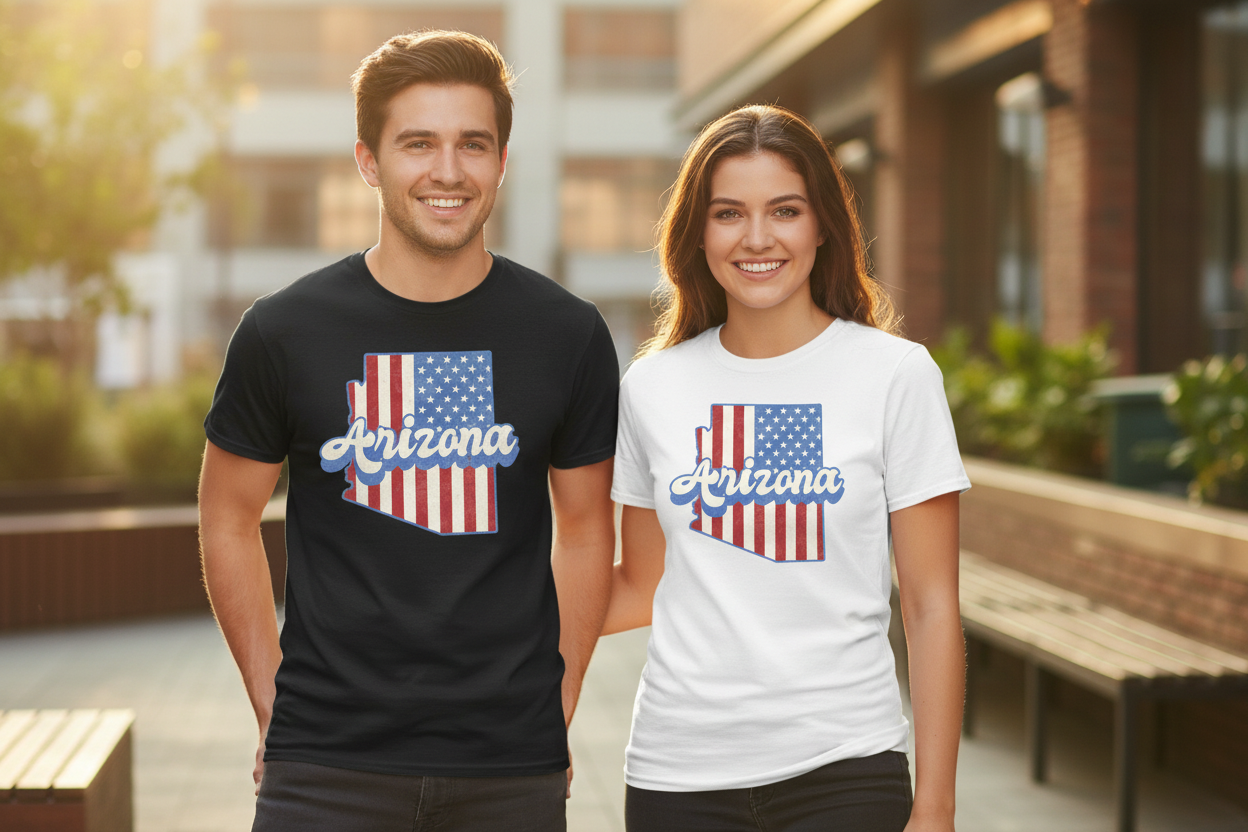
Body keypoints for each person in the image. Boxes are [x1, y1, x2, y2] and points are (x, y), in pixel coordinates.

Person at [198, 30, 618, 832]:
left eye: (473, 144)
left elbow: (588, 531)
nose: (448, 171)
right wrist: (270, 701)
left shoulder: (568, 335)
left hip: (509, 772)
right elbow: (226, 515)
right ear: (368, 161)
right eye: (418, 143)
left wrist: (555, 706)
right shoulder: (283, 331)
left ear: (502, 161)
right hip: (324, 769)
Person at [604, 104, 969, 832]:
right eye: (728, 213)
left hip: (845, 769)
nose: (757, 238)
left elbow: (931, 606)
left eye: (785, 210)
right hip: (678, 774)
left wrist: (936, 805)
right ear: (698, 232)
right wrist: (487, 614)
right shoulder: (652, 386)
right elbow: (640, 586)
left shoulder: (895, 375)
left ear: (822, 223)